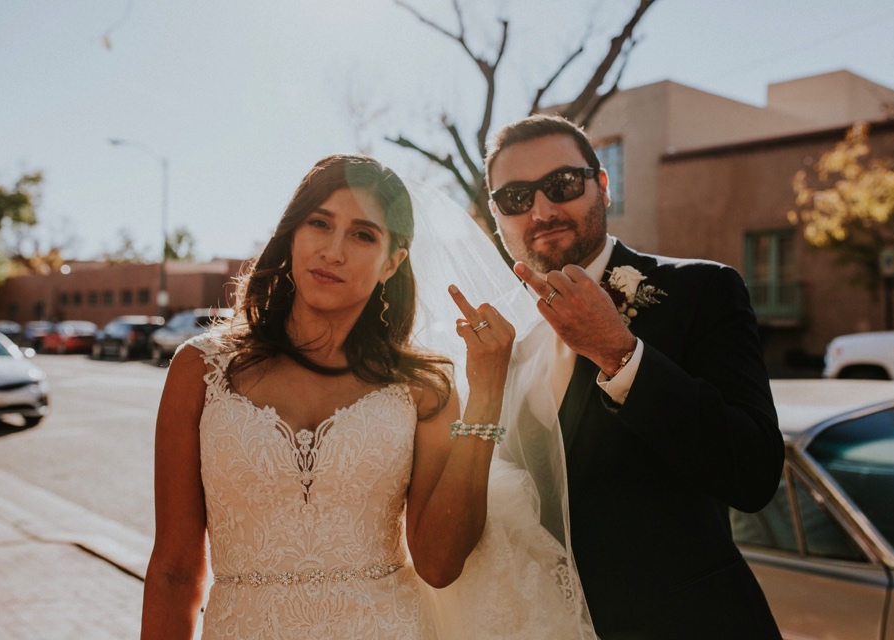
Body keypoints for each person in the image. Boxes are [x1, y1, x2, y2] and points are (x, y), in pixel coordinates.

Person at [139, 153, 594, 639]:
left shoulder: (423, 387)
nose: (333, 251)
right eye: (319, 223)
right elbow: (174, 569)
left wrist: (486, 391)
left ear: (392, 262)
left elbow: (440, 564)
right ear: (292, 234)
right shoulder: (202, 369)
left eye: (362, 235)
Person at [483, 114, 785, 640]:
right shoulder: (499, 337)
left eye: (561, 185)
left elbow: (754, 473)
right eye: (516, 197)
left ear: (602, 184)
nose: (542, 210)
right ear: (497, 216)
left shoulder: (702, 291)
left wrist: (619, 353)